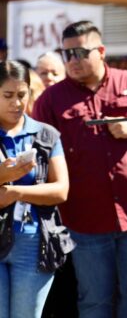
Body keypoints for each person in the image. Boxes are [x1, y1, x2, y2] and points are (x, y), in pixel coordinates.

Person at [32, 20, 127, 318]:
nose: (72, 60)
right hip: (85, 222)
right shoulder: (51, 99)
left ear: (100, 51)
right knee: (94, 303)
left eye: (80, 52)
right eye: (67, 53)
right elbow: (38, 154)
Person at [0, 60, 71, 318]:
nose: (16, 103)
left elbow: (61, 190)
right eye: (8, 95)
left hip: (33, 242)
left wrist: (17, 193)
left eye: (22, 95)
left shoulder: (46, 135)